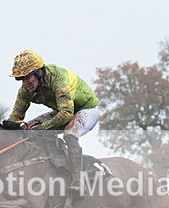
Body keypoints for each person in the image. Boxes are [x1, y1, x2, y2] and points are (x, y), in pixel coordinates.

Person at [7, 49, 100, 193]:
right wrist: (7, 126)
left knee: (70, 133)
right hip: (62, 110)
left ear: (39, 72)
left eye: (27, 77)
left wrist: (41, 128)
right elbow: (16, 116)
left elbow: (66, 114)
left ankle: (78, 182)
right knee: (28, 128)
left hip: (86, 110)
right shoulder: (25, 91)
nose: (25, 83)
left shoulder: (57, 78)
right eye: (21, 79)